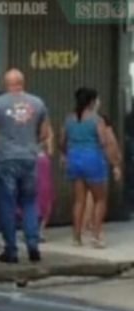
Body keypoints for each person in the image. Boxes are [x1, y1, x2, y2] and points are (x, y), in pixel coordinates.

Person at [0, 69, 51, 264]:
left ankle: (11, 250)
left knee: (7, 204)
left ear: (6, 83)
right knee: (29, 202)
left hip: (6, 158)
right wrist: (30, 143)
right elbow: (45, 133)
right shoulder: (37, 103)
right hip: (29, 158)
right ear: (23, 82)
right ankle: (33, 245)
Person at [60, 88, 122, 248]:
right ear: (92, 101)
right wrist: (115, 164)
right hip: (93, 159)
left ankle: (76, 237)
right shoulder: (97, 120)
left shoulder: (69, 119)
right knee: (99, 199)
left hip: (74, 159)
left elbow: (62, 141)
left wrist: (66, 154)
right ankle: (96, 236)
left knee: (79, 201)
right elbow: (104, 142)